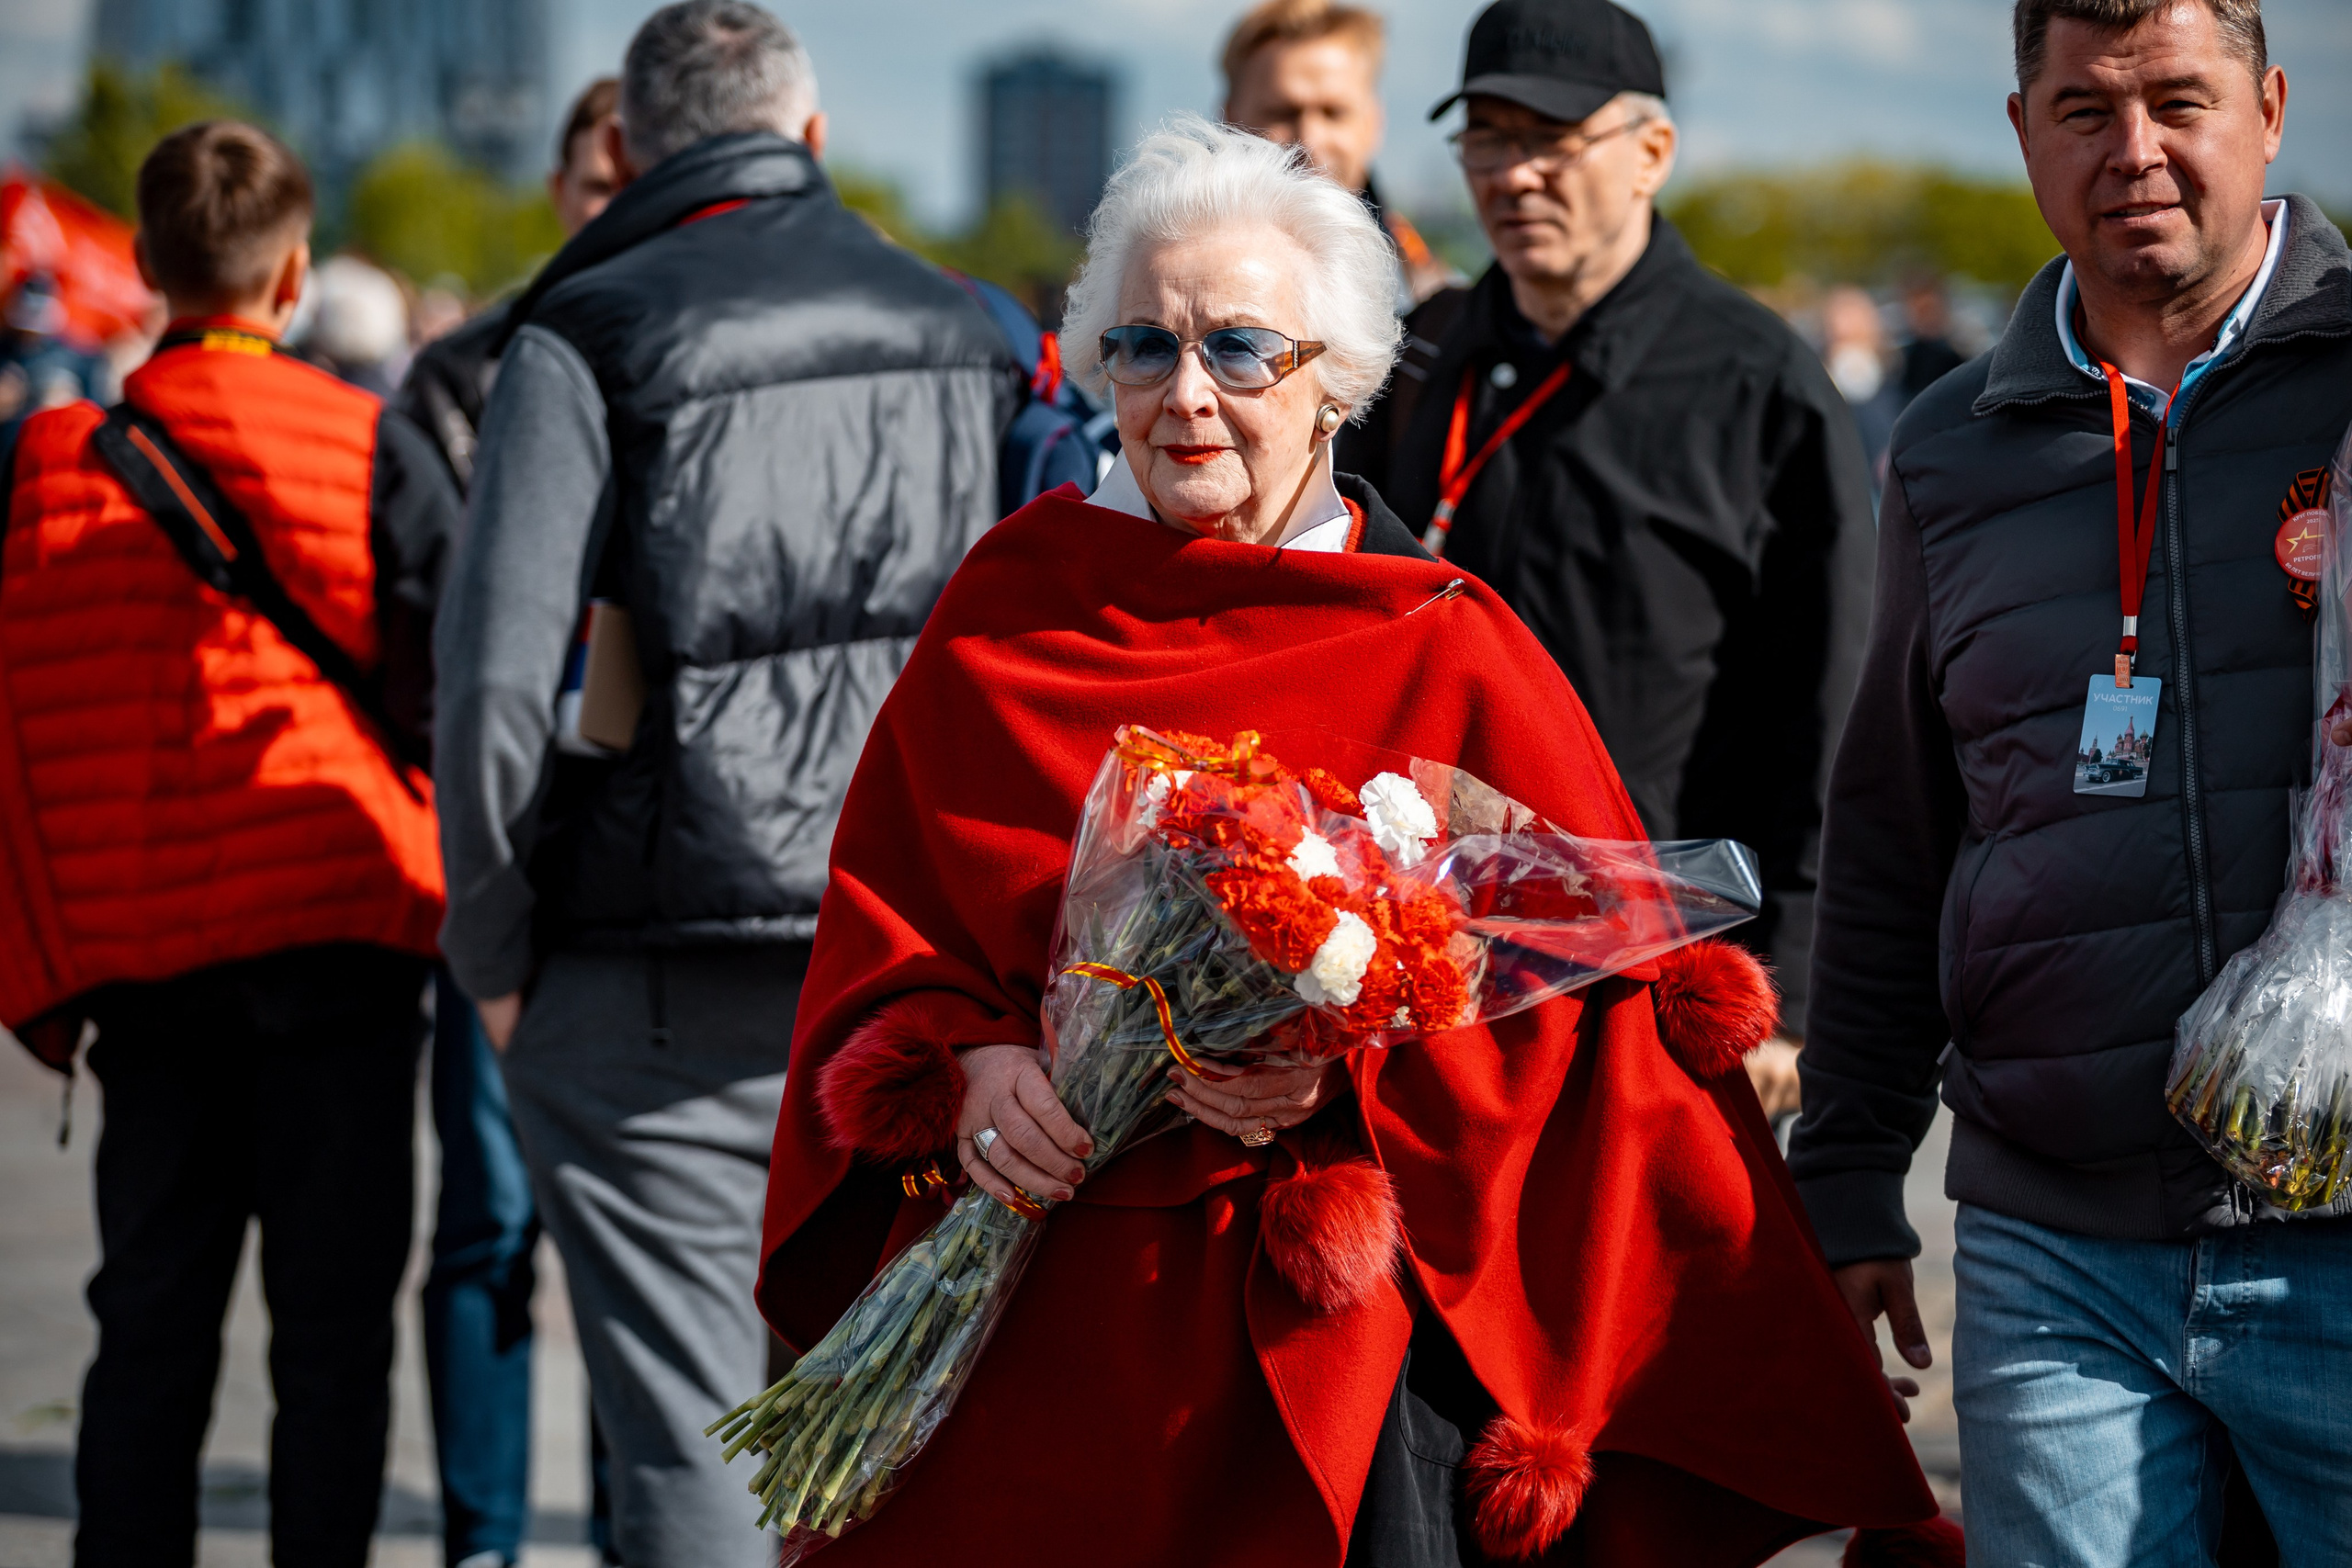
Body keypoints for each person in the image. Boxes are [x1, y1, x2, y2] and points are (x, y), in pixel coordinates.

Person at [754, 114, 1945, 1568]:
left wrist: (1351, 1056)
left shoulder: (1450, 644)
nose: (1188, 394)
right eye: (1143, 345)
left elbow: (1587, 1030)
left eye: (1243, 349)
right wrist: (970, 1061)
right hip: (1035, 1330)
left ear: (1337, 384)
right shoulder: (1009, 606)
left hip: (1347, 1352)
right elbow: (891, 934)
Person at [430, 5, 1020, 1563]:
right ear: (812, 138)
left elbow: (496, 680)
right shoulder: (963, 324)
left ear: (622, 151)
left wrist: (491, 955)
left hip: (652, 973)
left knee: (688, 1432)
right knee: (866, 1419)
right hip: (902, 954)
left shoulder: (585, 329)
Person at [1789, 0, 2352, 1561]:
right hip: (2055, 1252)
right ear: (2025, 127)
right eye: (2086, 109)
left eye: (2180, 99)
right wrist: (1844, 1166)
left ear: (2274, 106)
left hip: (2341, 1233)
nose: (2138, 151)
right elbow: (1895, 824)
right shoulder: (1951, 451)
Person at [0, 120, 459, 1566]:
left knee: (147, 1313)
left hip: (146, 956)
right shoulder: (369, 439)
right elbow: (450, 683)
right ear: (295, 274)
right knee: (334, 1332)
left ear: (142, 266)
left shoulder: (47, 460)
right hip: (343, 924)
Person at [1367, 0, 1875, 1119]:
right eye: (1486, 139)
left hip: (1655, 980)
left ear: (1651, 154)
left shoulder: (1757, 387)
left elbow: (1828, 717)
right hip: (1423, 966)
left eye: (1551, 140)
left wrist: (1784, 997)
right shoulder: (1431, 356)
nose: (1512, 175)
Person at [390, 78, 624, 1568]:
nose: (614, 205)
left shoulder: (706, 367)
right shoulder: (461, 377)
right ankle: (484, 1538)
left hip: (654, 868)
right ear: (556, 191)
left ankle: (635, 1531)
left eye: (638, 175)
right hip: (497, 841)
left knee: (642, 1244)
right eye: (595, 182)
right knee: (485, 1219)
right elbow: (419, 615)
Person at [398, 77, 621, 493]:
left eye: (639, 186)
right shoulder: (458, 373)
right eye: (601, 188)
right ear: (559, 192)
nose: (623, 208)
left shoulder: (721, 352)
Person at [1220, 0, 1456, 310]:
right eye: (1282, 113)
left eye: (1333, 113)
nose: (1309, 140)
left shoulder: (1439, 307)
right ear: (1228, 120)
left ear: (1374, 123)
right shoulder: (1162, 278)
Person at [0, 274, 113, 454]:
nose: (28, 337)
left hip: (54, 449)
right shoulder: (5, 351)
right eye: (22, 329)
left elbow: (98, 417)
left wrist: (66, 403)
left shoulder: (79, 358)